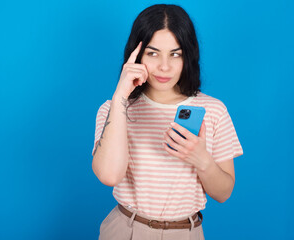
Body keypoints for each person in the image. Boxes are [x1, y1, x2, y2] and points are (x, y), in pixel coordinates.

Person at [92, 4, 243, 240]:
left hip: (186, 232)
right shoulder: (113, 109)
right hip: (126, 230)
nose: (165, 66)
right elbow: (109, 176)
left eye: (176, 54)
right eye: (153, 53)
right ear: (136, 54)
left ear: (188, 55)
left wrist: (201, 159)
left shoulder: (213, 110)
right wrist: (120, 96)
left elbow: (224, 193)